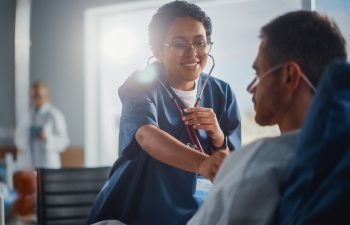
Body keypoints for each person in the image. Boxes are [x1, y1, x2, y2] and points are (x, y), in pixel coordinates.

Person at [87, 1, 241, 225]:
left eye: (200, 42)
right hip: (132, 212)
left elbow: (230, 167)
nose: (192, 53)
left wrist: (218, 138)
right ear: (157, 50)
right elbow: (146, 135)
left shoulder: (222, 92)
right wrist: (201, 164)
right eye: (179, 44)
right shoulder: (141, 83)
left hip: (195, 215)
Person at [187, 10, 347, 225]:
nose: (251, 88)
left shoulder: (258, 162)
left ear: (289, 76)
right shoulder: (339, 157)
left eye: (259, 74)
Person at [29, 80, 69, 168]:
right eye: (34, 96)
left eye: (39, 95)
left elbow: (63, 142)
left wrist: (48, 138)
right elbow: (18, 138)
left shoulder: (54, 114)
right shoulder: (27, 115)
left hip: (49, 164)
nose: (36, 98)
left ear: (46, 96)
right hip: (31, 164)